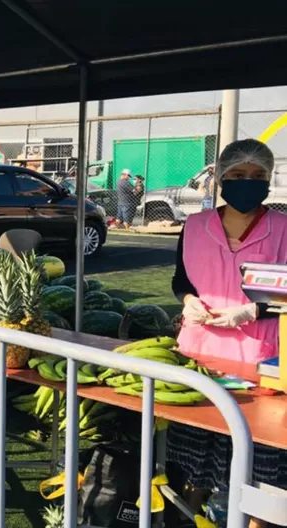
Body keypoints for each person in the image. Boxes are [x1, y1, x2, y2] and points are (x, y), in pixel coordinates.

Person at [168, 139, 286, 528]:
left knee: (260, 458)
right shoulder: (196, 225)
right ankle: (191, 513)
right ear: (220, 178)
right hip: (200, 353)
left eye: (257, 176)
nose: (247, 182)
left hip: (259, 357)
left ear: (269, 180)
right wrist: (188, 302)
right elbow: (181, 280)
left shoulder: (283, 227)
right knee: (194, 448)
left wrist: (254, 310)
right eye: (237, 175)